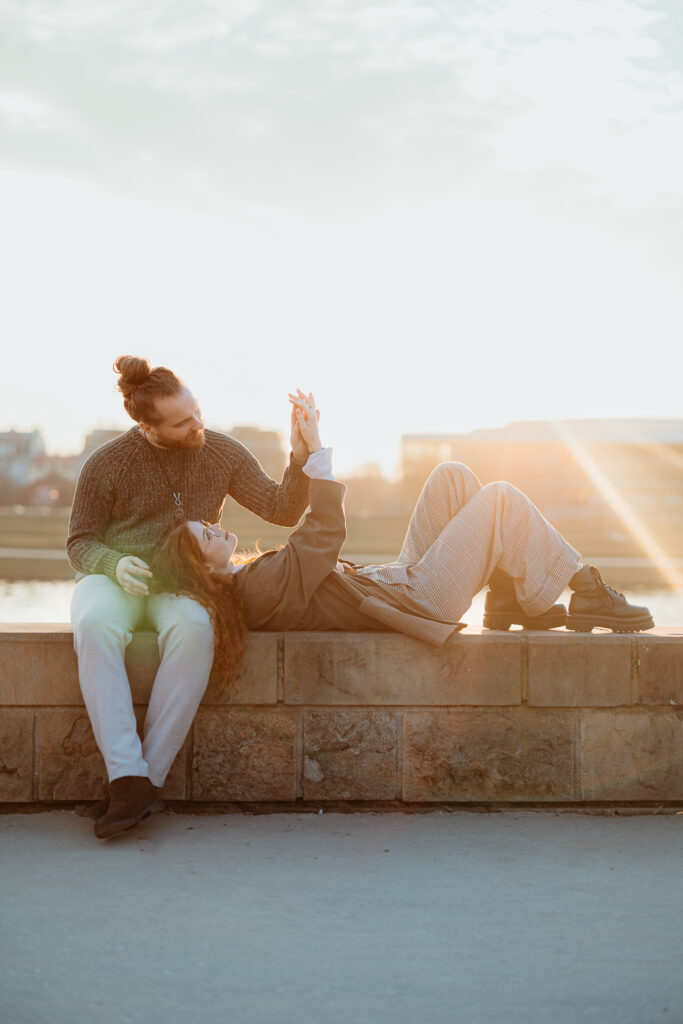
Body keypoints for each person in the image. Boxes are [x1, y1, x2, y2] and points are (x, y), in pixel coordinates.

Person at [154, 391, 654, 693]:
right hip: (419, 601)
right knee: (499, 497)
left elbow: (312, 547)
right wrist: (318, 453)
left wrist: (305, 450)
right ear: (204, 570)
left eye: (208, 524)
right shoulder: (254, 590)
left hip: (400, 583)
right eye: (206, 536)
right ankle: (584, 589)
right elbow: (322, 538)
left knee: (451, 477)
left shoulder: (249, 579)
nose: (215, 526)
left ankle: (506, 596)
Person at [68, 357, 312, 840]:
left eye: (196, 408)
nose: (197, 422)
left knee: (195, 628)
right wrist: (111, 564)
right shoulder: (106, 462)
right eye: (182, 421)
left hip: (184, 582)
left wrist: (300, 455)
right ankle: (127, 775)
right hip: (116, 576)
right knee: (94, 626)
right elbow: (80, 542)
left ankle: (139, 784)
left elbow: (282, 509)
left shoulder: (222, 451)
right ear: (147, 427)